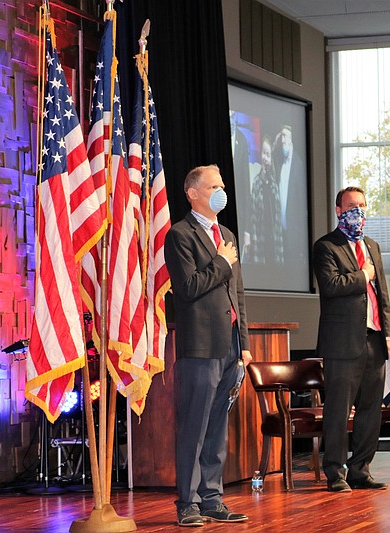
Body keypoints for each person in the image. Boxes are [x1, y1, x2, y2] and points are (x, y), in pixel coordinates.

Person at [164, 164, 252, 526]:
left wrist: (244, 342)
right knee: (195, 426)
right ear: (193, 193)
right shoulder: (180, 235)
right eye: (214, 186)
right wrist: (221, 262)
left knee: (217, 428)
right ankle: (188, 502)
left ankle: (213, 498)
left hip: (229, 345)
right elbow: (187, 287)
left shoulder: (226, 233)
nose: (221, 191)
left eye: (222, 185)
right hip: (200, 346)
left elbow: (238, 295)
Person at [313, 186, 390, 493]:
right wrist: (363, 276)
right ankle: (335, 471)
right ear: (338, 210)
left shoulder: (372, 245)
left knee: (371, 410)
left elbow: (383, 295)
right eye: (351, 206)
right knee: (338, 409)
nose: (357, 211)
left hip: (374, 340)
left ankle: (361, 469)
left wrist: (389, 334)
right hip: (342, 342)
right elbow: (331, 285)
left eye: (361, 205)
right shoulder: (326, 247)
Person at [245, 135, 284, 264]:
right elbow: (252, 215)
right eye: (263, 153)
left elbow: (277, 215)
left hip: (274, 239)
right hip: (260, 239)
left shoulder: (274, 183)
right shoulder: (256, 182)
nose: (265, 157)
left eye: (268, 154)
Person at [274, 125, 307, 265]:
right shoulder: (280, 162)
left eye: (286, 136)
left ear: (292, 139)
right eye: (282, 137)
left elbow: (301, 204)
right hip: (280, 229)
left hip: (294, 231)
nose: (283, 141)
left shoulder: (299, 165)